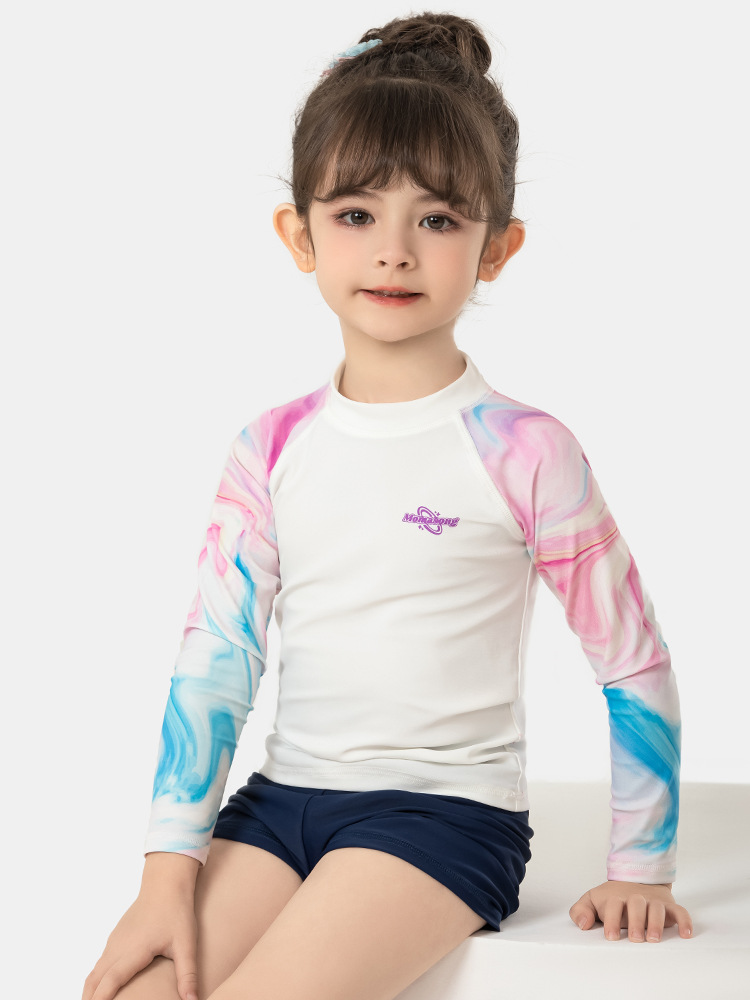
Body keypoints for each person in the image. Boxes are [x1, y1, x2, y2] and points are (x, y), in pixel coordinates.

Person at [82, 12, 694, 1000]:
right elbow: (216, 662)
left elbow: (631, 660)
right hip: (278, 807)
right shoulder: (269, 448)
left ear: (497, 248)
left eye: (439, 220)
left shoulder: (527, 450)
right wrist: (166, 873)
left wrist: (643, 865)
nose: (395, 251)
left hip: (441, 819)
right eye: (357, 215)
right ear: (299, 234)